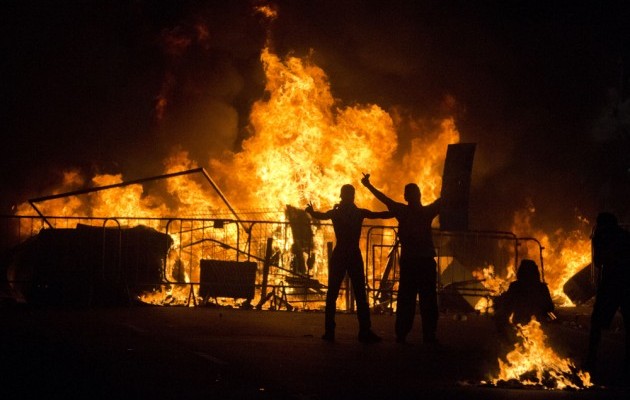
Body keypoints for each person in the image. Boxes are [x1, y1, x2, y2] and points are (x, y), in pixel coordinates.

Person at [305, 184, 392, 343]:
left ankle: (330, 331)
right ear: (352, 196)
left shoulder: (336, 213)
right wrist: (396, 212)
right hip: (353, 254)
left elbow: (320, 216)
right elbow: (377, 214)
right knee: (359, 293)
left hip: (340, 254)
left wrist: (311, 212)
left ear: (341, 196)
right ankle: (364, 331)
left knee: (333, 293)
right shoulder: (358, 213)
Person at [361, 173, 441, 344]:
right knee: (427, 300)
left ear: (407, 197)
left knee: (407, 299)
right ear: (419, 195)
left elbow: (384, 199)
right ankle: (428, 335)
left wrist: (368, 186)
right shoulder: (426, 212)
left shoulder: (403, 211)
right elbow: (442, 201)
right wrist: (455, 184)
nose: (406, 196)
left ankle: (402, 334)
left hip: (411, 262)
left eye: (407, 193)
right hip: (424, 262)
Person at [585, 212, 630, 373]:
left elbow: (598, 262)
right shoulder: (625, 236)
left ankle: (591, 360)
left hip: (611, 284)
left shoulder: (602, 237)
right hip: (627, 284)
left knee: (597, 323)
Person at [493, 259, 555, 342]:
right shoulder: (542, 287)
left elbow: (507, 306)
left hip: (520, 325)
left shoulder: (515, 286)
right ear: (536, 272)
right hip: (539, 327)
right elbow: (550, 307)